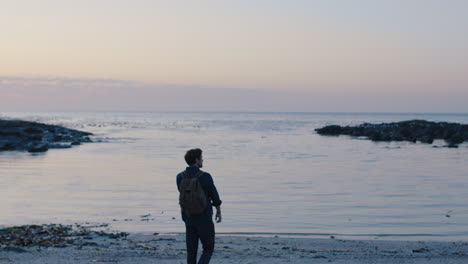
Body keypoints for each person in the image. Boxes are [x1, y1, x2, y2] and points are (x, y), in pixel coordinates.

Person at [176, 148, 222, 264]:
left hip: (188, 217)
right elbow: (214, 195)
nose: (202, 160)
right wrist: (218, 210)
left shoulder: (180, 177)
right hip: (204, 217)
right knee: (208, 248)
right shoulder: (205, 176)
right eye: (201, 158)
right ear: (196, 160)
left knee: (191, 252)